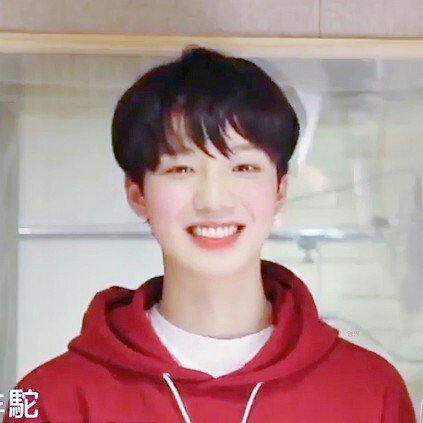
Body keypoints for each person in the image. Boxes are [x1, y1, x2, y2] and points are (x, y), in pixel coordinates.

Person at [3, 47, 416, 423]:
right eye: (181, 169)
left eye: (243, 168)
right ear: (138, 194)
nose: (214, 200)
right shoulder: (51, 398)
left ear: (280, 191)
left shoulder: (369, 391)